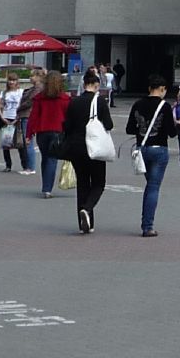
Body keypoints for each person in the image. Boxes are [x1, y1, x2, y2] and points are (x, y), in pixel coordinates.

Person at [125, 76, 180, 237]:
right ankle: (147, 226)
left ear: (149, 88)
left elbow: (129, 129)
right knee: (153, 187)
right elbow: (171, 132)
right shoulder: (164, 106)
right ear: (162, 89)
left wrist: (141, 129)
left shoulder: (137, 104)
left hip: (142, 150)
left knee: (150, 185)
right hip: (159, 150)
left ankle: (147, 224)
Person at [60, 67, 113, 234]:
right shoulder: (100, 101)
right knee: (98, 183)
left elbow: (67, 126)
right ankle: (87, 208)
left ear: (83, 85)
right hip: (95, 148)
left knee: (82, 183)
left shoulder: (74, 102)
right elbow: (109, 124)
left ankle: (85, 224)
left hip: (76, 147)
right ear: (96, 85)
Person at [29, 71, 69, 197]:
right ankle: (47, 188)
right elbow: (69, 117)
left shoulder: (40, 98)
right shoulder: (65, 99)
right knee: (52, 159)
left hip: (42, 131)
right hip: (57, 131)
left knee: (45, 158)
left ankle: (45, 185)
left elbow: (33, 116)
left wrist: (29, 133)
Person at [0, 69, 28, 172]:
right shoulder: (3, 93)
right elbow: (0, 107)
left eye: (14, 80)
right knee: (6, 144)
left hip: (17, 118)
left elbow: (23, 106)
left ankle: (25, 165)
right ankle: (8, 165)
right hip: (6, 118)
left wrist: (18, 118)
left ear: (17, 82)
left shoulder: (21, 92)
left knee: (20, 144)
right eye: (10, 80)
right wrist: (2, 117)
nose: (11, 82)